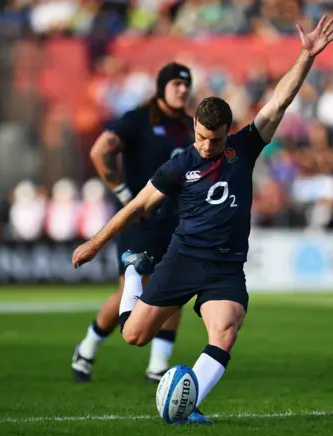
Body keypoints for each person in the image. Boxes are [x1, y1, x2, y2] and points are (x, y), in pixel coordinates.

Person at [72, 16, 333, 423]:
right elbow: (138, 206)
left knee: (227, 329)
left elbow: (280, 101)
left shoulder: (244, 147)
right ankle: (133, 275)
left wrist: (305, 55)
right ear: (194, 128)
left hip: (225, 267)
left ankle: (186, 405)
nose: (206, 145)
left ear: (227, 131)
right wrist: (95, 242)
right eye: (200, 137)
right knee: (134, 335)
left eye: (213, 140)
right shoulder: (180, 164)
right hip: (182, 259)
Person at [71, 62, 195, 383]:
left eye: (186, 85)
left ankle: (157, 367)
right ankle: (87, 347)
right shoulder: (138, 120)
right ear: (161, 87)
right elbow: (101, 152)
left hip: (175, 221)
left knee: (174, 291)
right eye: (176, 85)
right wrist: (126, 196)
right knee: (130, 290)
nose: (183, 90)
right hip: (139, 220)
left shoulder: (189, 126)